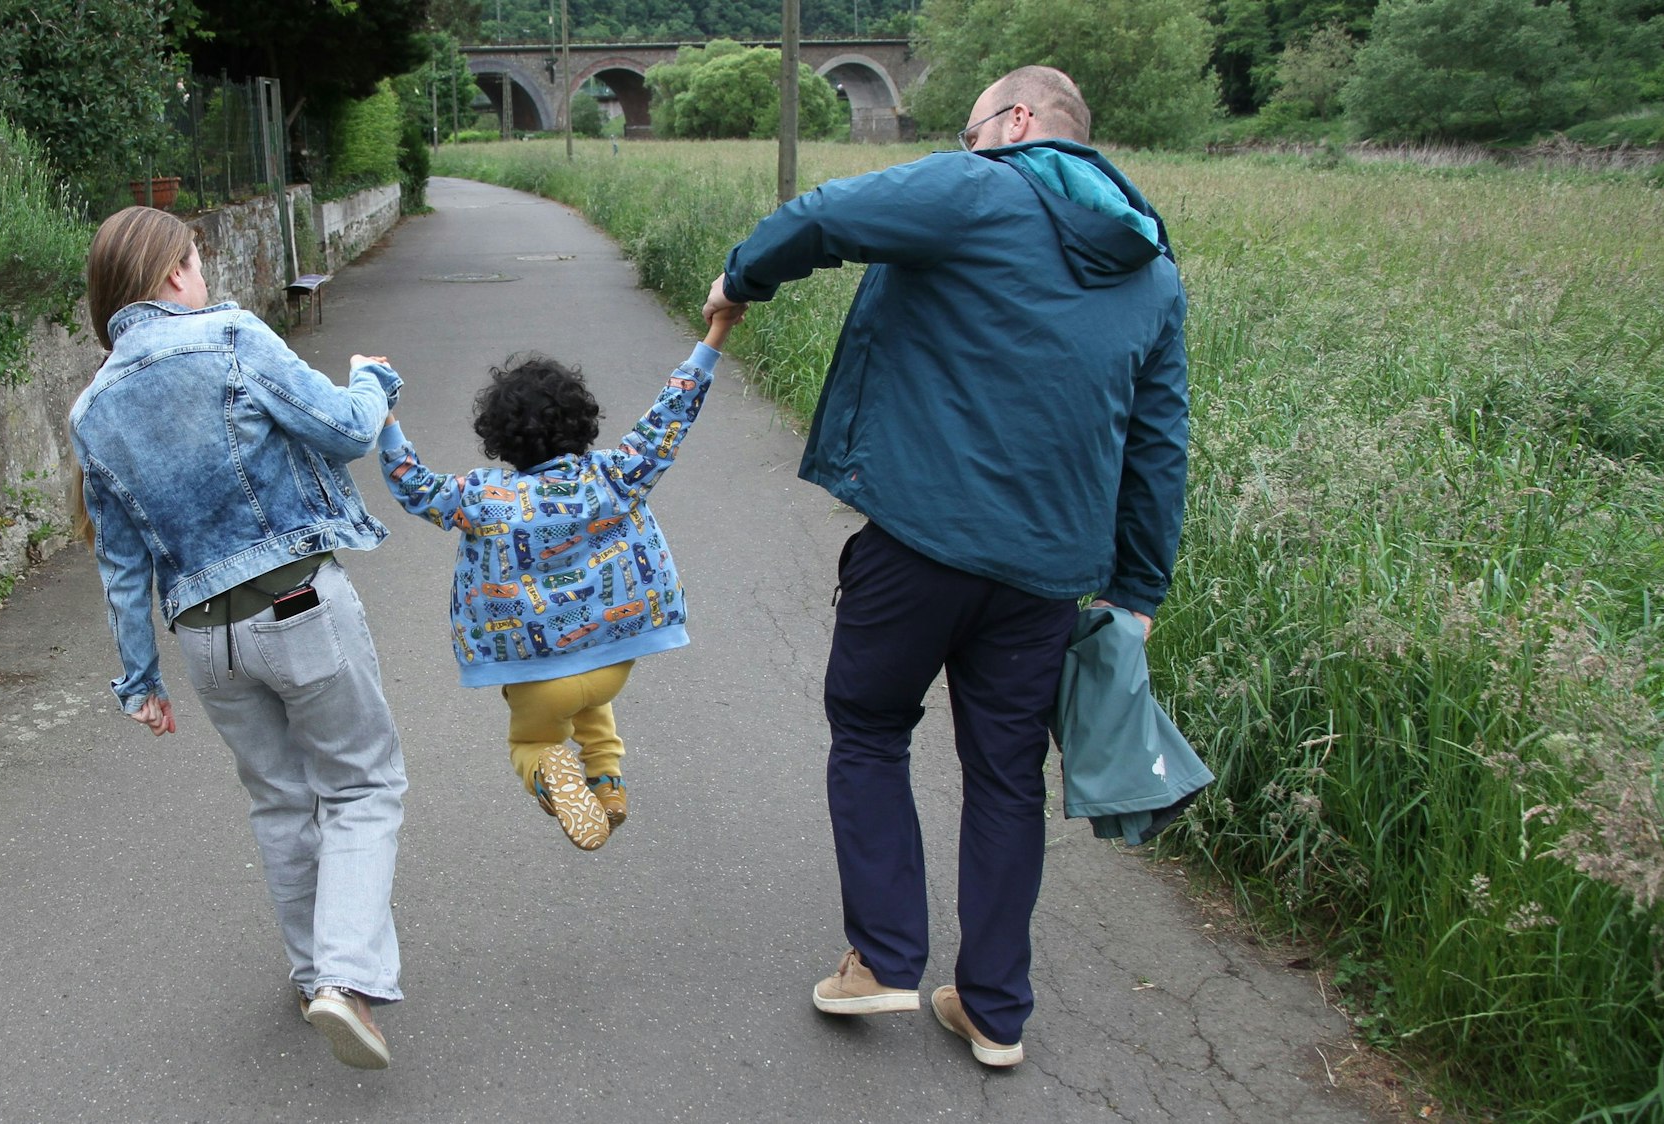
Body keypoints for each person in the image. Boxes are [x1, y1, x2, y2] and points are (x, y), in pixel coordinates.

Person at [702, 66, 1189, 1067]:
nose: (965, 148)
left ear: (1015, 123)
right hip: (1051, 574)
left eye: (971, 132)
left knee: (871, 727)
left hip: (922, 541)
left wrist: (740, 276)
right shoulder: (1153, 266)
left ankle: (883, 959)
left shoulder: (986, 185)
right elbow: (1158, 439)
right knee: (1007, 774)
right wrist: (1137, 588)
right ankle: (995, 1009)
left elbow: (827, 213)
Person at [69, 206, 408, 1070]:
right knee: (362, 786)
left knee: (281, 801)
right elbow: (346, 430)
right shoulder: (228, 335)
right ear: (176, 273)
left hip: (203, 643)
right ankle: (345, 979)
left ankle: (311, 978)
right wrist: (372, 378)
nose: (203, 276)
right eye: (196, 260)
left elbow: (118, 563)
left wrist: (140, 682)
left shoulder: (91, 408)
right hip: (296, 603)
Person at [375, 313, 738, 850]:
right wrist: (714, 337)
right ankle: (606, 780)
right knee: (591, 695)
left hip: (537, 677)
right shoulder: (616, 473)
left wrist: (385, 417)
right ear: (584, 421)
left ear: (498, 439)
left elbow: (414, 484)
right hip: (613, 659)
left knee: (534, 738)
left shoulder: (481, 496)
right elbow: (670, 417)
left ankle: (550, 769)